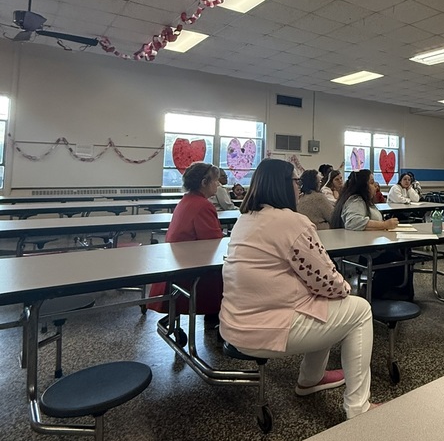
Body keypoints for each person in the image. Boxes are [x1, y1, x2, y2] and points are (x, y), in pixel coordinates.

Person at [219, 159, 376, 419]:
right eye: (295, 181)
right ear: (284, 185)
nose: (299, 187)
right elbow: (328, 281)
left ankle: (311, 379)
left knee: (324, 304)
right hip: (264, 328)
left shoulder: (245, 219)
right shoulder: (292, 222)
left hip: (235, 323)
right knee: (359, 310)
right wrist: (346, 287)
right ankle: (359, 409)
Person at [149, 162, 223, 321]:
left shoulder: (186, 200)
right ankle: (216, 319)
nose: (218, 184)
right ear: (204, 183)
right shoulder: (203, 205)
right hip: (191, 266)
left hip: (179, 260)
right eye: (215, 181)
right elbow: (214, 242)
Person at [331, 170, 414, 300]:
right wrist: (384, 225)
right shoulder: (356, 200)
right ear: (362, 186)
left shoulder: (362, 200)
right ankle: (375, 294)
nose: (375, 185)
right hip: (358, 253)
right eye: (371, 182)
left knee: (401, 253)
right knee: (398, 260)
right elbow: (353, 222)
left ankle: (394, 293)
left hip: (368, 247)